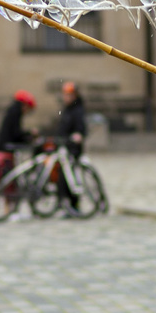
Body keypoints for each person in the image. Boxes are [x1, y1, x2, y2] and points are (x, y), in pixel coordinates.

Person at [50, 81, 87, 214]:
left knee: (71, 177)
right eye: (65, 95)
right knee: (61, 176)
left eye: (69, 95)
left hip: (72, 148)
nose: (66, 97)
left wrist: (78, 135)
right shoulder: (66, 109)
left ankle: (73, 204)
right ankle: (62, 203)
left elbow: (81, 128)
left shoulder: (78, 109)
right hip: (63, 146)